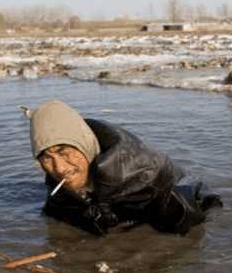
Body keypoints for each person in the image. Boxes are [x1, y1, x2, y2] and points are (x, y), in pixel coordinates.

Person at [29, 99, 221, 236]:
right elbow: (57, 214)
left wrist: (161, 200)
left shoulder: (139, 170)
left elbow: (192, 218)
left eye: (64, 151)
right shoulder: (56, 180)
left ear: (83, 144)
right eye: (46, 158)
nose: (59, 168)